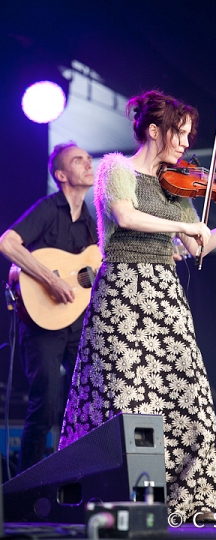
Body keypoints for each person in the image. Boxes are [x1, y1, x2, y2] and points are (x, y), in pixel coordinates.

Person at [58, 90, 216, 520]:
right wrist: (180, 225)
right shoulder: (116, 167)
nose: (185, 143)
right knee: (123, 396)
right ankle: (115, 497)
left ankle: (187, 501)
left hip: (165, 296)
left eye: (190, 135)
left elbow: (200, 246)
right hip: (122, 291)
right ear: (155, 131)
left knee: (186, 396)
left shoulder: (178, 182)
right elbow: (126, 215)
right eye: (180, 133)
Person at [0, 142, 98, 473]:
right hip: (41, 322)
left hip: (76, 324)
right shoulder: (47, 208)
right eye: (77, 160)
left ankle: (76, 477)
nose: (87, 163)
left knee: (83, 401)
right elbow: (8, 243)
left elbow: (91, 271)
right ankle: (25, 489)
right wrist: (51, 280)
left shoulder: (90, 222)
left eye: (87, 157)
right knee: (46, 404)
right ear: (61, 175)